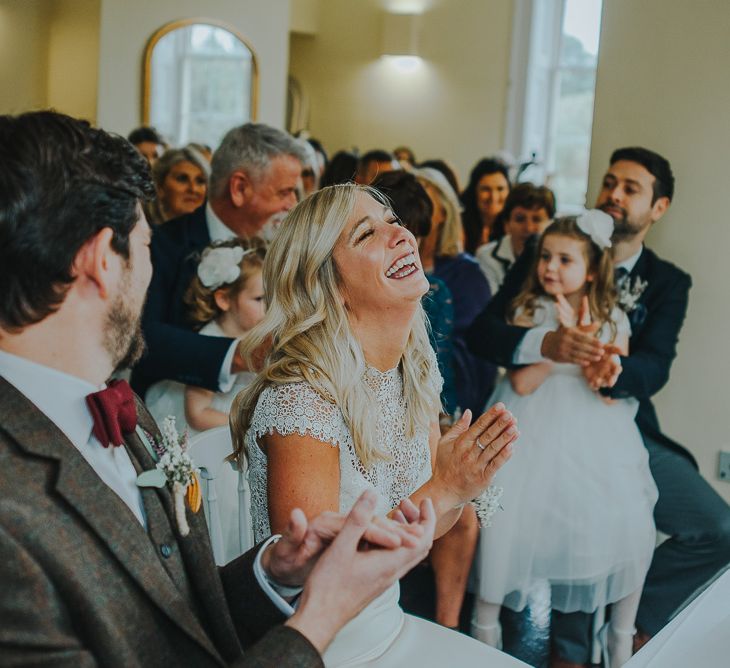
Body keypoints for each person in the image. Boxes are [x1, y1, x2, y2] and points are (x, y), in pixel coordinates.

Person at [0, 110, 439, 666]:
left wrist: (271, 574)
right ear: (99, 265)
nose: (153, 275)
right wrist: (318, 618)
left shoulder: (125, 411)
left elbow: (172, 613)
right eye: (145, 248)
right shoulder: (10, 515)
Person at [229, 183, 526, 667]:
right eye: (367, 233)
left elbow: (433, 525)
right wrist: (446, 486)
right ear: (331, 286)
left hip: (390, 626)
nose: (401, 235)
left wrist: (459, 484)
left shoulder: (413, 367)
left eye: (393, 220)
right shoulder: (301, 399)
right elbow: (320, 575)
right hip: (320, 651)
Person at [466, 147, 730, 667]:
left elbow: (655, 366)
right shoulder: (550, 253)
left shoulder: (668, 281)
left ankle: (634, 625)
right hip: (538, 417)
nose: (614, 193)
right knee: (553, 510)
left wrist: (612, 371)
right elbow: (484, 332)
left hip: (618, 423)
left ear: (659, 207)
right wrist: (547, 346)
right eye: (610, 182)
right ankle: (567, 653)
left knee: (716, 528)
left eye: (631, 188)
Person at [472, 213, 658, 668]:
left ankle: (618, 637)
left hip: (592, 432)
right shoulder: (529, 309)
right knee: (506, 520)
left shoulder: (613, 319)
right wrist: (556, 345)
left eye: (564, 259)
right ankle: (483, 632)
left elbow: (608, 390)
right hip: (529, 424)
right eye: (546, 257)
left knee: (622, 518)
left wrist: (597, 363)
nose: (550, 267)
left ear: (592, 270)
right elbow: (521, 385)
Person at [131, 123, 306, 401]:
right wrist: (237, 355)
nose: (293, 204)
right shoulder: (162, 246)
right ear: (239, 188)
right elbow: (141, 338)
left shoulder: (289, 249)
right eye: (284, 192)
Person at [373, 170, 477, 631]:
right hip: (381, 417)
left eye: (413, 234)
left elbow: (432, 376)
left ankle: (448, 626)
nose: (407, 245)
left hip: (426, 410)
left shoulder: (436, 294)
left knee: (465, 515)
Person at [145, 238, 265, 434]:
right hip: (216, 431)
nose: (269, 308)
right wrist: (249, 430)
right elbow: (197, 414)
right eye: (260, 299)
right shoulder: (210, 339)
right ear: (224, 299)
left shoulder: (259, 334)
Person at [417, 167, 496, 416]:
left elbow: (478, 353)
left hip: (447, 403)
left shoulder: (466, 275)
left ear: (443, 214)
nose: (416, 213)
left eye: (425, 204)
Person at [476, 183, 555, 294]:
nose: (529, 228)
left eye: (537, 219)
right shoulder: (486, 256)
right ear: (507, 225)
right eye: (520, 219)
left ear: (551, 224)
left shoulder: (558, 261)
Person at [461, 158, 511, 254]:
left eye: (500, 189)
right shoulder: (460, 223)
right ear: (474, 191)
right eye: (486, 189)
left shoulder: (514, 225)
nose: (493, 197)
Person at [147, 147, 208, 225]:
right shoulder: (140, 232)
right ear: (159, 187)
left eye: (200, 181)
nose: (193, 189)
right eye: (182, 179)